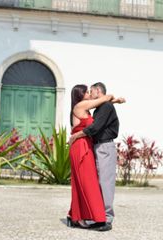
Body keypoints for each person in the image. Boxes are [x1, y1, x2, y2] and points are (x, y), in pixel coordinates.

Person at [69, 82, 124, 231]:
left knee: (104, 183)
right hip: (91, 147)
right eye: (87, 92)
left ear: (98, 91)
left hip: (102, 146)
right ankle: (88, 216)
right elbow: (103, 100)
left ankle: (106, 219)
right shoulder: (90, 106)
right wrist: (115, 100)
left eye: (91, 91)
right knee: (92, 182)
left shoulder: (104, 106)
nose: (89, 94)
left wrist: (76, 135)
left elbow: (94, 127)